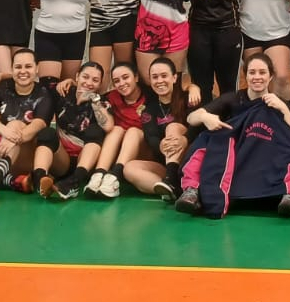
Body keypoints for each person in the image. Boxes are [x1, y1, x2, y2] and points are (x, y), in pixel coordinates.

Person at [178, 53, 290, 218]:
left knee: (289, 148)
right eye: (252, 72)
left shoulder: (279, 102)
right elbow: (191, 118)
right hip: (240, 157)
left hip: (269, 157)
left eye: (262, 72)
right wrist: (205, 117)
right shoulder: (233, 99)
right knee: (205, 138)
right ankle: (191, 191)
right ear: (246, 76)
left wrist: (283, 108)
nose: (257, 77)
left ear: (270, 76)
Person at [0, 48, 56, 205]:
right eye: (18, 67)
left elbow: (37, 126)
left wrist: (12, 135)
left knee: (16, 123)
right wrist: (5, 132)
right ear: (12, 69)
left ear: (37, 68)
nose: (23, 71)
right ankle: (12, 180)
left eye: (28, 66)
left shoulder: (44, 94)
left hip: (25, 153)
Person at [30, 61, 115, 200]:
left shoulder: (101, 102)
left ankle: (74, 183)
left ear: (100, 84)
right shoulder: (63, 93)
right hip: (62, 160)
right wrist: (4, 76)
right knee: (47, 133)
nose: (89, 83)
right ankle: (40, 179)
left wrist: (92, 98)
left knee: (95, 130)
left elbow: (108, 126)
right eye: (85, 77)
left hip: (85, 161)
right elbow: (31, 84)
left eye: (95, 80)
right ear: (77, 76)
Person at [118, 57, 192, 201]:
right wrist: (160, 145)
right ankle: (172, 189)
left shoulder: (188, 98)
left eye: (164, 76)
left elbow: (198, 128)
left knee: (172, 127)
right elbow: (150, 136)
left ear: (174, 78)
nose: (159, 81)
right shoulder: (149, 109)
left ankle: (174, 181)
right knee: (129, 168)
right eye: (155, 77)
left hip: (189, 159)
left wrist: (185, 139)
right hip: (165, 163)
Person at [83, 61, 148, 199]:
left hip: (143, 150)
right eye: (117, 81)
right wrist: (71, 82)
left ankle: (115, 177)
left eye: (126, 77)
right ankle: (98, 175)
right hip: (118, 153)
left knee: (133, 131)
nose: (121, 83)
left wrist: (192, 87)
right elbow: (88, 92)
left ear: (136, 77)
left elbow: (179, 87)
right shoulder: (112, 97)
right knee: (116, 129)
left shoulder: (150, 96)